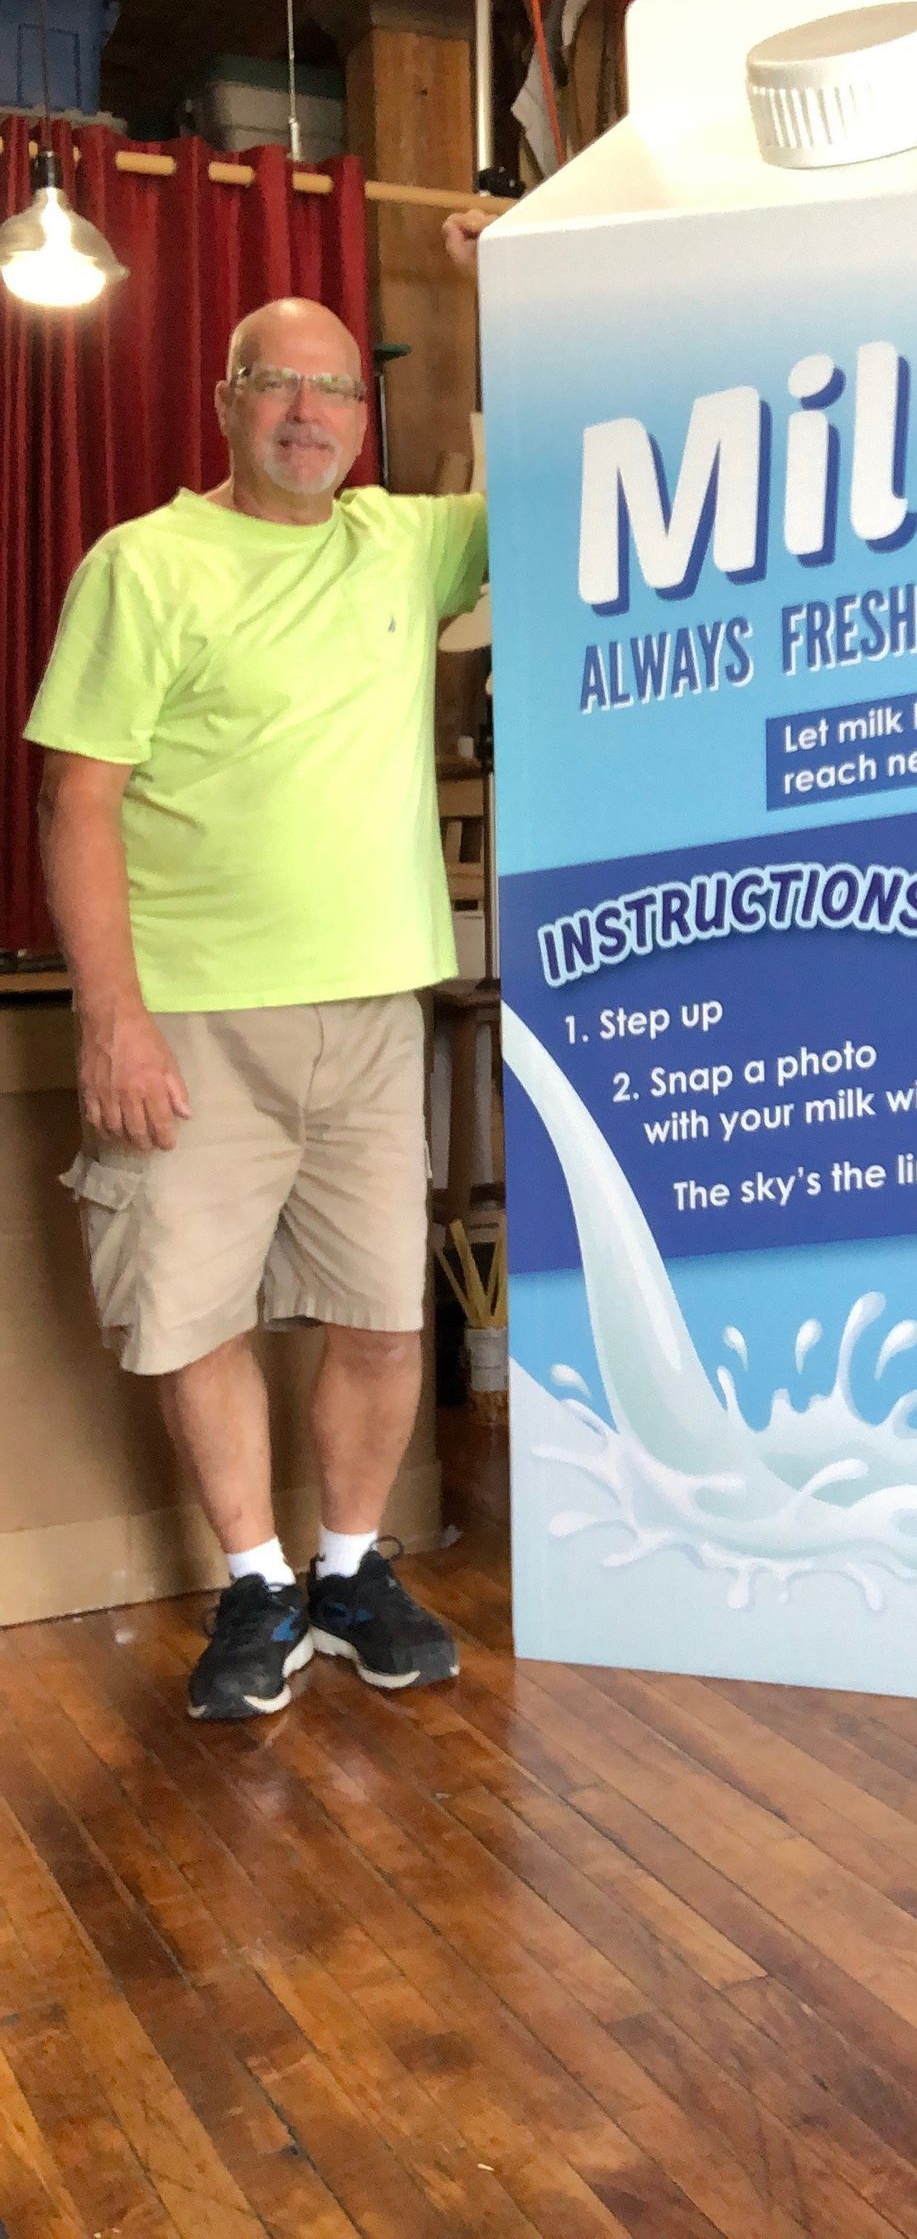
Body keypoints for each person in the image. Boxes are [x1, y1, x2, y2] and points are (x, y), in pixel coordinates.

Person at [27, 210, 494, 1717]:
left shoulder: (405, 543)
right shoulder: (144, 564)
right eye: (275, 384)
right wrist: (113, 1017)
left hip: (372, 1009)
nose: (308, 413)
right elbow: (75, 797)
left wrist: (508, 295)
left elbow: (560, 475)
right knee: (193, 1312)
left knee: (380, 1313)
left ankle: (351, 1569)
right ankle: (256, 1588)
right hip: (194, 1015)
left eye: (337, 392)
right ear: (225, 403)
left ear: (368, 419)